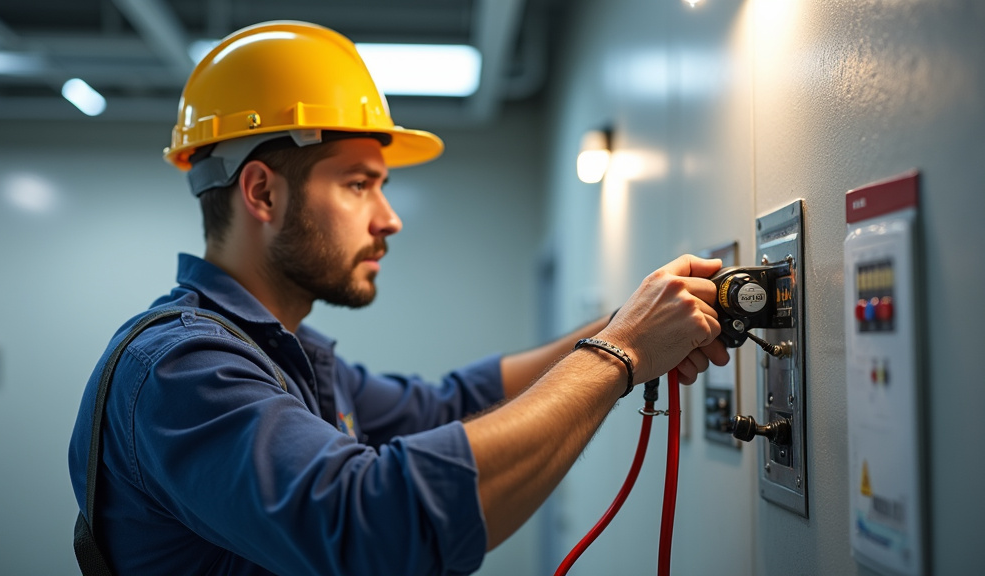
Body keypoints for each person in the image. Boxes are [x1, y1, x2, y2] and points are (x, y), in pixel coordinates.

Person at [68, 20, 728, 576]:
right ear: (262, 193)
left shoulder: (282, 357)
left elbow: (456, 404)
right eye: (359, 184)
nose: (389, 218)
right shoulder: (182, 370)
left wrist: (629, 322)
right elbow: (375, 526)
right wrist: (619, 353)